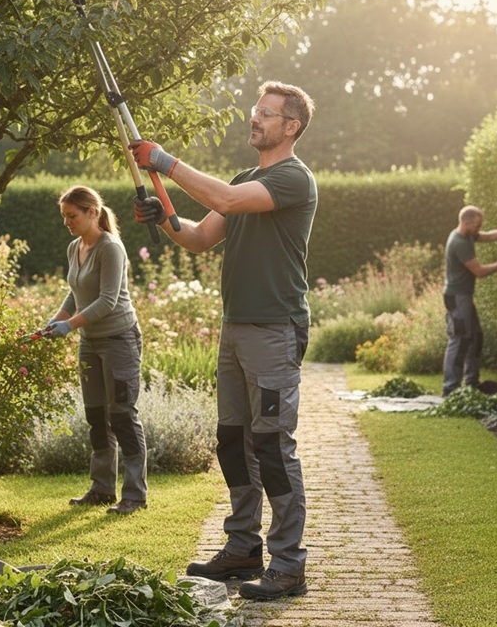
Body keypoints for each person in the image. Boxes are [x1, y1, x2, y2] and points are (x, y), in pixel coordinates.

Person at [128, 81, 317, 601]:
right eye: (255, 110)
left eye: (266, 113)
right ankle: (241, 549)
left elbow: (227, 200)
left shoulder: (293, 179)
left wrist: (165, 162)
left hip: (275, 330)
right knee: (233, 442)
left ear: (291, 126)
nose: (254, 118)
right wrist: (164, 216)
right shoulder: (244, 177)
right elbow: (198, 237)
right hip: (236, 327)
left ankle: (289, 565)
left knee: (273, 447)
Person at [41, 185, 149, 516]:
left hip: (119, 340)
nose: (66, 223)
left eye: (72, 216)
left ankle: (134, 495)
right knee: (96, 417)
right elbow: (75, 294)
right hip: (90, 343)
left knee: (122, 416)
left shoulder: (110, 248)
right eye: (63, 217)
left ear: (92, 212)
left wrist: (69, 326)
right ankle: (102, 488)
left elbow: (108, 300)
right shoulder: (75, 248)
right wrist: (53, 322)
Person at [441, 205, 497, 398]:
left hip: (463, 296)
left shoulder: (466, 235)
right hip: (457, 298)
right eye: (477, 225)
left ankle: (471, 383)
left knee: (475, 337)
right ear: (466, 222)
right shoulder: (459, 243)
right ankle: (450, 390)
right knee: (459, 340)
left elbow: (487, 236)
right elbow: (479, 271)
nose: (479, 229)